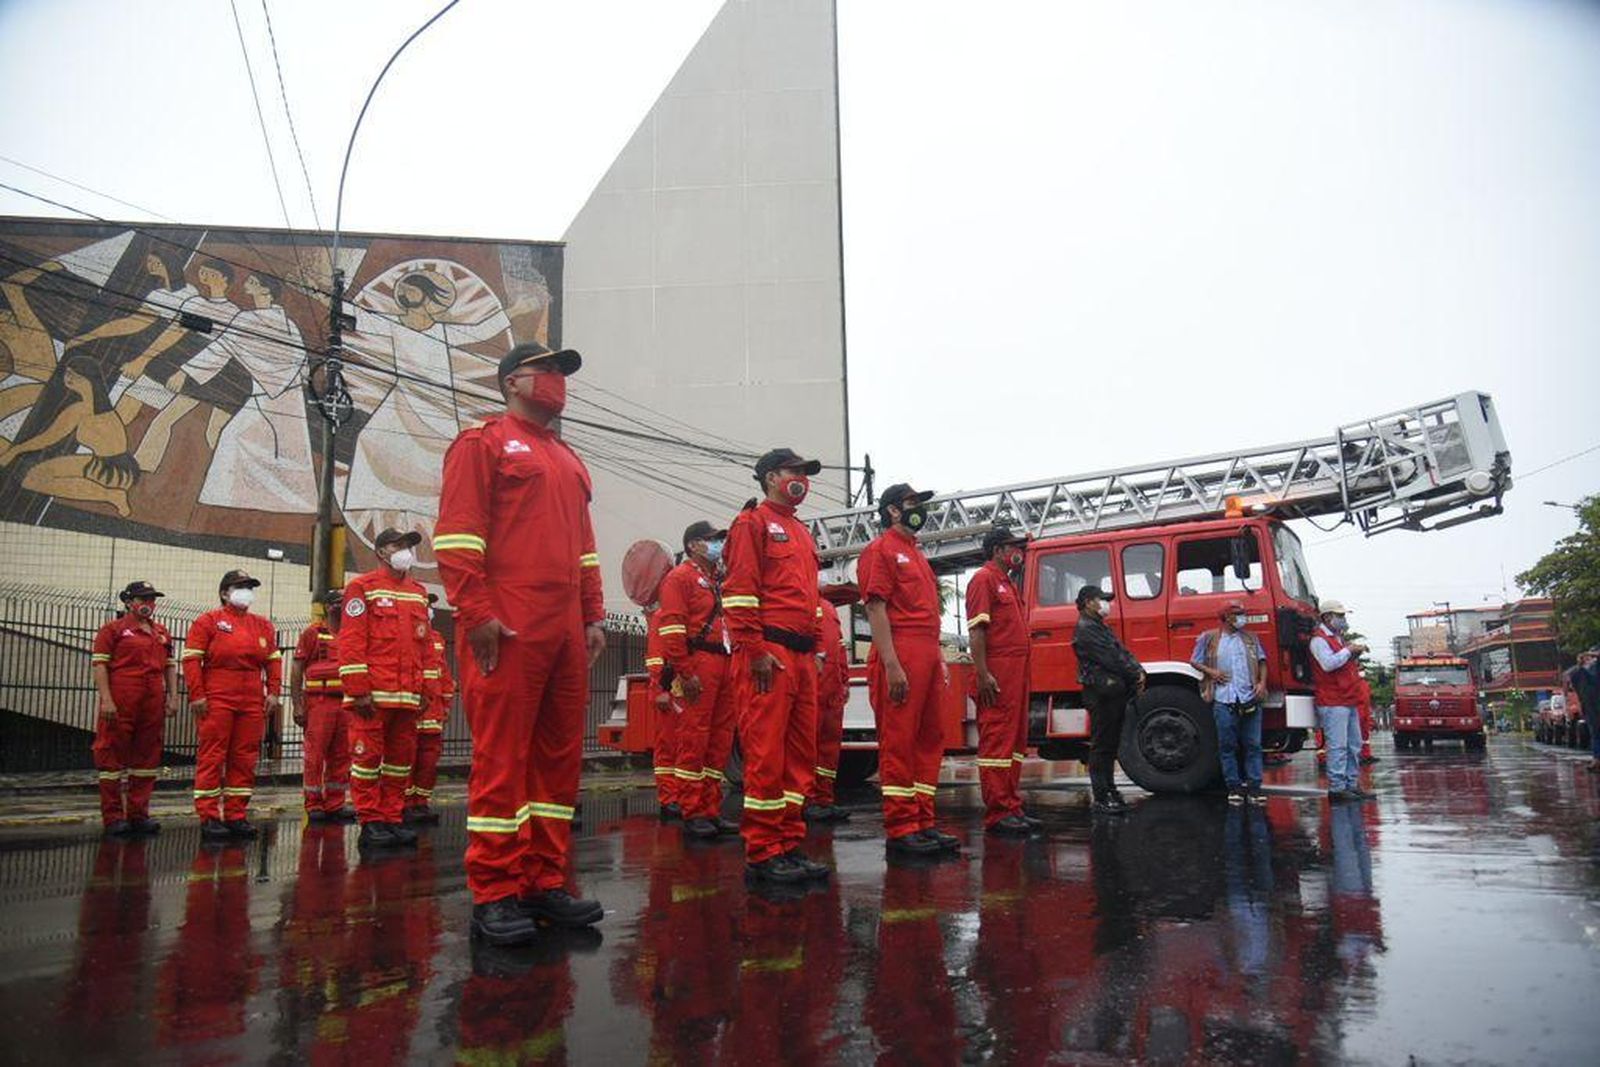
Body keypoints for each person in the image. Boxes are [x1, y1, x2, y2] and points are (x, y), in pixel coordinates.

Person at [435, 341, 607, 944]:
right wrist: (475, 611)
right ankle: (496, 891)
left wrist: (592, 614)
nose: (558, 381)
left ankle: (544, 880)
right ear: (512, 382)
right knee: (503, 757)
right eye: (548, 370)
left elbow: (585, 548)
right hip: (508, 618)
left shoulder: (568, 460)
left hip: (562, 624)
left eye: (564, 373)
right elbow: (457, 537)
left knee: (558, 759)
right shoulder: (481, 443)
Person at [721, 447, 830, 884]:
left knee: (800, 756)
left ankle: (788, 841)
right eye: (793, 471)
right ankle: (764, 851)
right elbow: (740, 591)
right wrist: (752, 650)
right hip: (770, 653)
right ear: (769, 477)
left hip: (802, 656)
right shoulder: (752, 524)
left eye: (805, 472)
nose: (801, 478)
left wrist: (819, 649)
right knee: (766, 754)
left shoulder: (801, 533)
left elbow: (812, 600)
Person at [858, 482, 958, 857]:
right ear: (893, 511)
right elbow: (875, 608)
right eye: (913, 503)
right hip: (900, 650)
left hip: (926, 652)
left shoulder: (916, 554)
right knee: (899, 742)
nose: (920, 509)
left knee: (929, 738)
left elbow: (929, 615)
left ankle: (923, 821)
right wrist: (891, 664)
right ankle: (902, 829)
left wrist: (939, 658)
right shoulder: (880, 551)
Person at [338, 528, 438, 850]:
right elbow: (352, 641)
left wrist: (425, 691)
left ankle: (392, 818)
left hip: (407, 697)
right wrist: (358, 689)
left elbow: (425, 647)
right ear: (382, 552)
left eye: (409, 546)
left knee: (399, 762)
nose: (406, 551)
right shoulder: (361, 588)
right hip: (373, 695)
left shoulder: (419, 593)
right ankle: (371, 822)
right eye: (399, 546)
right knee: (367, 760)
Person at [183, 569, 281, 840]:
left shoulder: (262, 625)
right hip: (218, 695)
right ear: (225, 592)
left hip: (251, 697)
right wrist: (198, 695)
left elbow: (273, 660)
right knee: (213, 756)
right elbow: (192, 660)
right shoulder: (209, 621)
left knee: (245, 757)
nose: (246, 591)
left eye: (249, 587)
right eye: (240, 586)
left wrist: (273, 691)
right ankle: (209, 816)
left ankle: (236, 814)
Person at [658, 520, 740, 842]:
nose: (717, 544)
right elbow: (672, 629)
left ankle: (710, 809)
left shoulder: (717, 580)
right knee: (694, 738)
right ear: (693, 545)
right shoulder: (680, 578)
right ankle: (692, 811)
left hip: (724, 661)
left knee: (719, 740)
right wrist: (685, 671)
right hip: (700, 662)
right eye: (711, 539)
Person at [89, 580, 178, 836]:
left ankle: (139, 814)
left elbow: (170, 666)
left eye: (151, 599)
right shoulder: (112, 630)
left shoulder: (161, 632)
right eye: (142, 599)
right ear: (129, 602)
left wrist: (172, 697)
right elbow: (100, 665)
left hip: (152, 699)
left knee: (147, 757)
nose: (148, 604)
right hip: (122, 696)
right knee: (111, 756)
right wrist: (106, 698)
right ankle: (114, 816)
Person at [966, 525, 1037, 835]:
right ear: (997, 550)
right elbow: (977, 631)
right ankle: (998, 811)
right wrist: (983, 673)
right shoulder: (983, 580)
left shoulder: (1008, 583)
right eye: (1011, 547)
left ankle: (1011, 804)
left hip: (1017, 671)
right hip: (998, 670)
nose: (1016, 553)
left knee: (1015, 742)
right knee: (997, 740)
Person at [1071, 585, 1144, 814]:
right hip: (1101, 693)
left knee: (1110, 744)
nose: (1106, 604)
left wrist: (1138, 669)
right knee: (1102, 745)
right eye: (1101, 599)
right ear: (1087, 602)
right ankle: (1101, 797)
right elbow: (1111, 658)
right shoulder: (1086, 629)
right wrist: (1134, 673)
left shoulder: (1099, 627)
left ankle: (1110, 791)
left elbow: (1121, 651)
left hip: (1112, 692)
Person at [1191, 601, 1268, 805]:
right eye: (1237, 614)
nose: (1242, 618)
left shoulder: (1251, 638)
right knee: (1227, 746)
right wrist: (1212, 672)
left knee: (1253, 745)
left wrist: (1261, 683)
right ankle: (1233, 787)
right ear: (1226, 617)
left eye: (1242, 613)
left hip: (1249, 697)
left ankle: (1254, 788)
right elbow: (1195, 660)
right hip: (1223, 699)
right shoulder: (1208, 638)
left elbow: (1262, 661)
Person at [290, 589, 355, 824]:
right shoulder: (313, 633)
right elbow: (297, 667)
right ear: (328, 607)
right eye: (338, 603)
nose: (342, 606)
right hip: (319, 702)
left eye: (345, 602)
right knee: (315, 756)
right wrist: (297, 704)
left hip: (346, 703)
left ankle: (335, 803)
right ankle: (314, 803)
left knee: (342, 756)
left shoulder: (352, 634)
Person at [1309, 599, 1373, 803]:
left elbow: (1340, 664)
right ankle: (1337, 788)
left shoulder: (1337, 638)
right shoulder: (1319, 640)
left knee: (1353, 744)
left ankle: (1351, 784)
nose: (1343, 619)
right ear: (1327, 617)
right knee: (1338, 746)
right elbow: (1327, 665)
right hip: (1332, 701)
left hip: (1347, 699)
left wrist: (1351, 653)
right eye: (1340, 616)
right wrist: (1349, 651)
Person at [805, 575, 856, 823]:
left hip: (832, 690)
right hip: (813, 687)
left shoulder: (828, 608)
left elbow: (840, 647)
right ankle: (807, 799)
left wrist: (844, 681)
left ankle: (823, 799)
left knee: (828, 749)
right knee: (808, 747)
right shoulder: (803, 605)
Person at [406, 594, 457, 824]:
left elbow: (443, 675)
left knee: (428, 762)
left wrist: (446, 704)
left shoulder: (437, 638)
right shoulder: (406, 636)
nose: (430, 610)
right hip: (412, 711)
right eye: (426, 606)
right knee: (407, 760)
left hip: (433, 713)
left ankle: (421, 803)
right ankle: (404, 804)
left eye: (431, 606)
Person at [1568, 648, 1600, 772]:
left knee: (1596, 734)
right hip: (1592, 708)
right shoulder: (1581, 673)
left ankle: (1597, 759)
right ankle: (1597, 759)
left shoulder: (1595, 669)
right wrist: (1581, 664)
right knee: (1596, 734)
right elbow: (1575, 680)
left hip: (1593, 706)